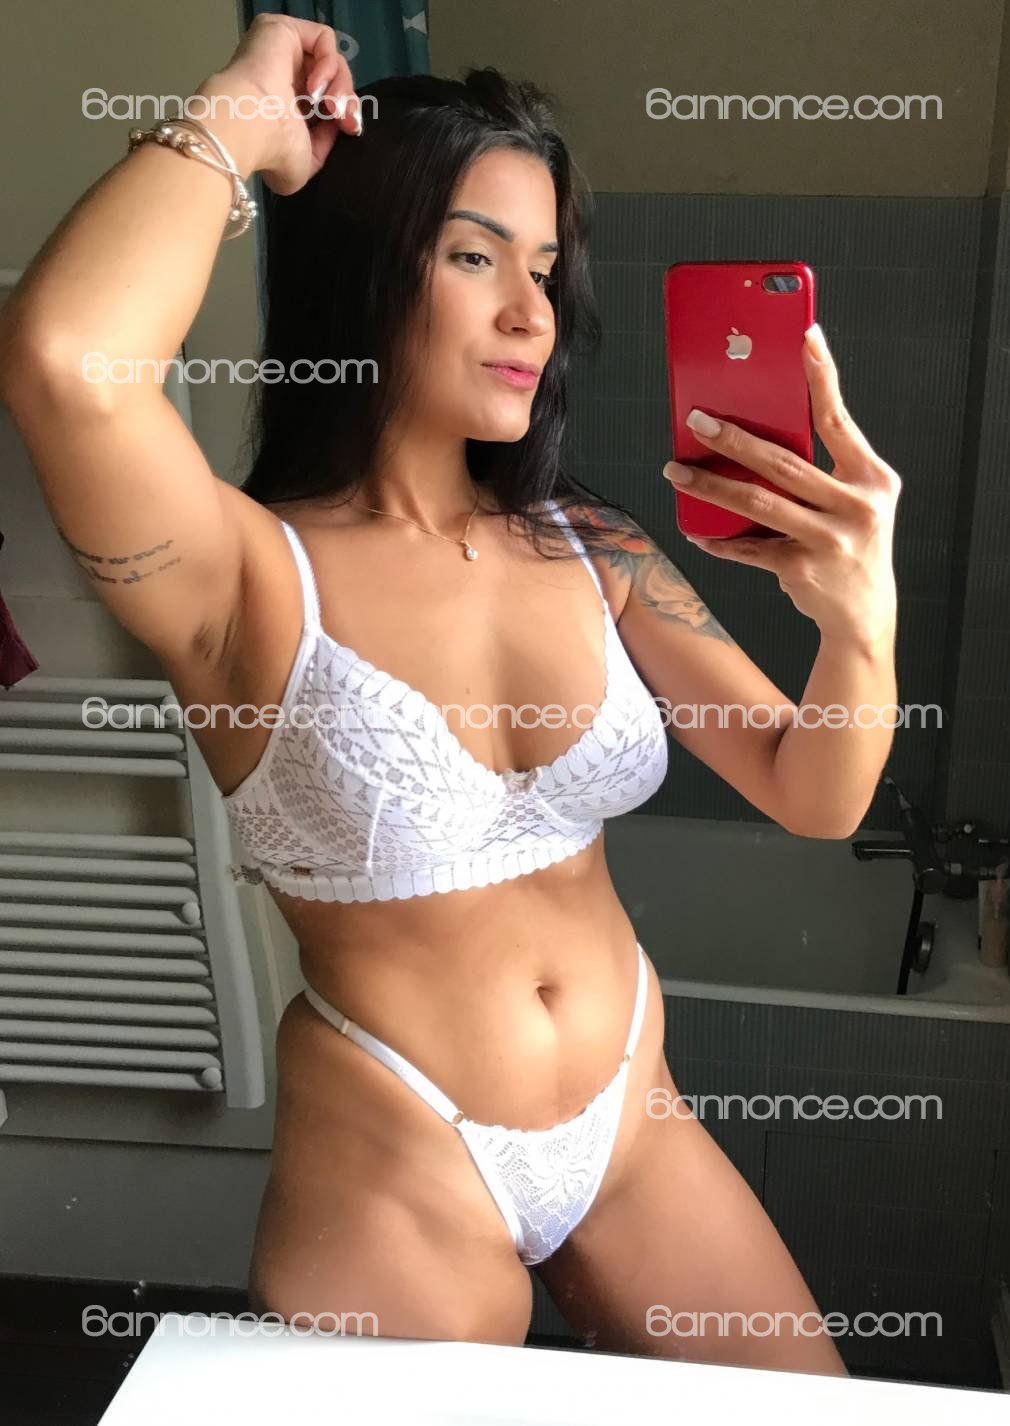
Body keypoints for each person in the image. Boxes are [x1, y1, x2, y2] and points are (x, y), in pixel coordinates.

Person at [0, 14, 900, 1372]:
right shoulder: (244, 573)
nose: (533, 313)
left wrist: (861, 620)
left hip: (632, 1124)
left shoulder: (594, 549)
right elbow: (70, 363)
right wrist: (239, 115)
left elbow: (814, 791)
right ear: (366, 268)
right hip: (399, 1149)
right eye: (475, 256)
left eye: (544, 268)